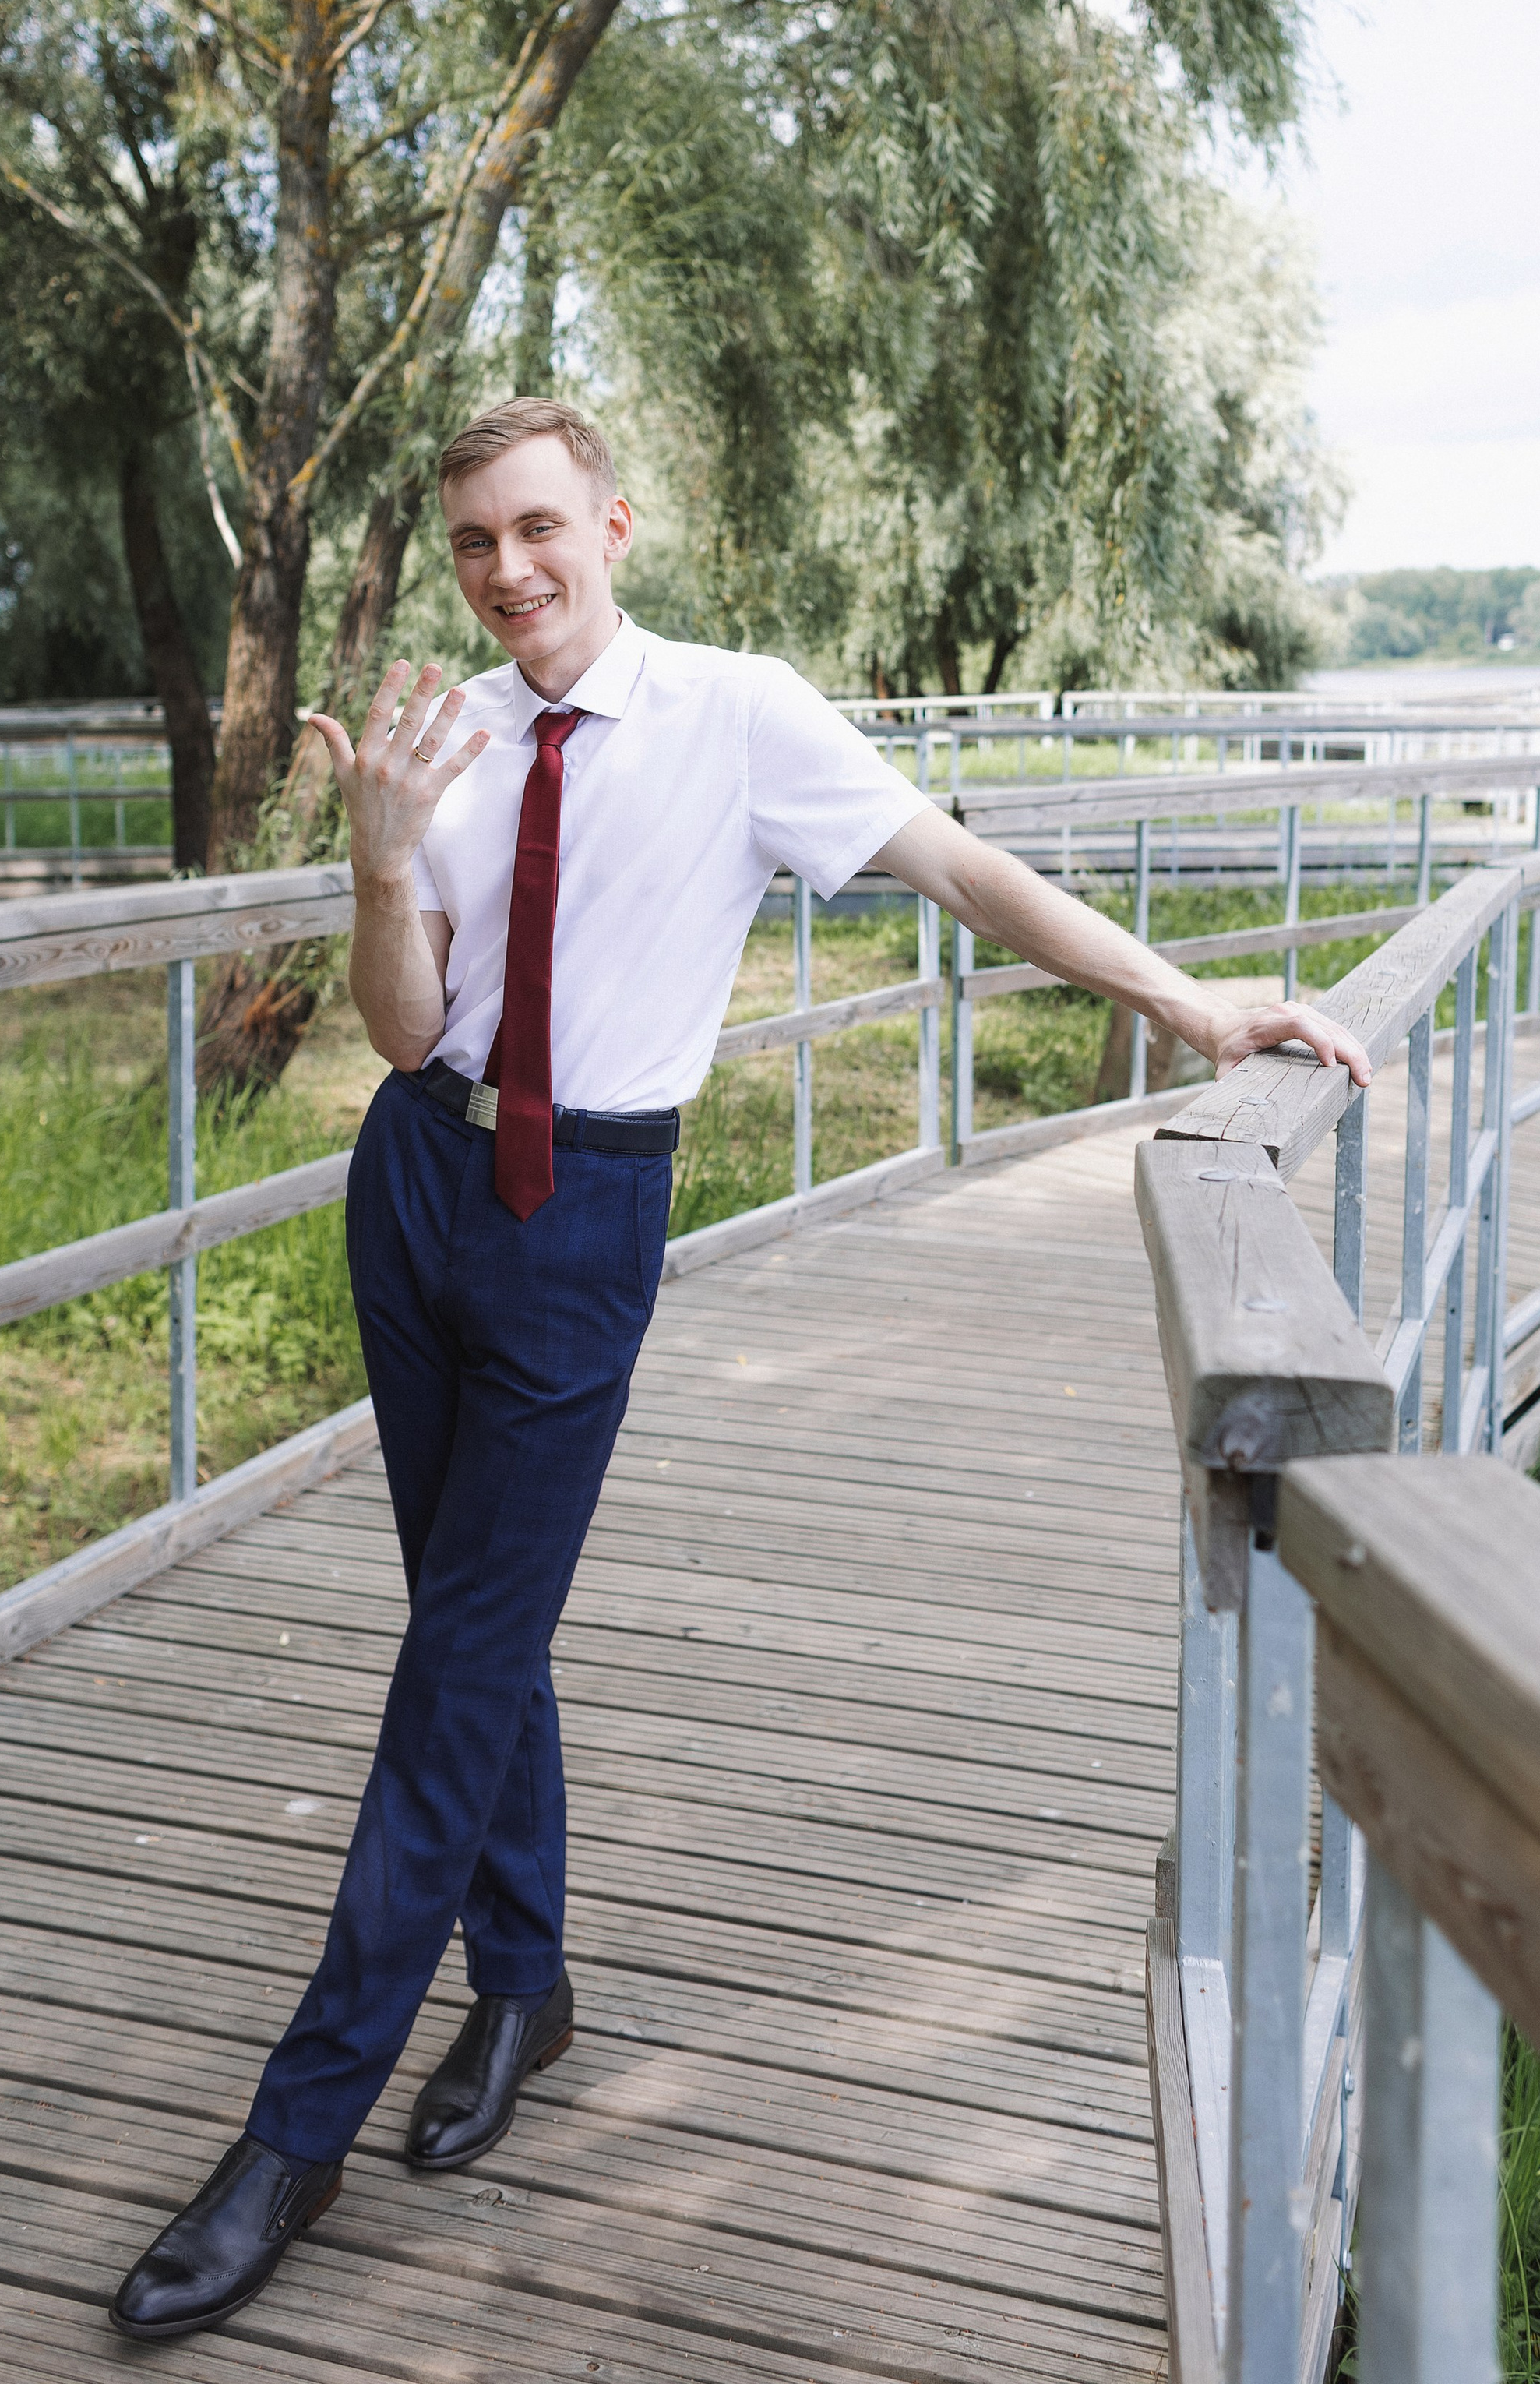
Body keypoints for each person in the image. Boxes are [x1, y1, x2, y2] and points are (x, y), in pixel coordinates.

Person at [108, 397, 1370, 2341]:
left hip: (577, 1213)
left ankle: (294, 2133)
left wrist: (1189, 1001)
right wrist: (375, 862)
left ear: (611, 521)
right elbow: (404, 1021)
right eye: (472, 542)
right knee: (471, 1613)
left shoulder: (734, 713)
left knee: (452, 1665)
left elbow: (961, 873)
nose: (507, 569)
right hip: (415, 1188)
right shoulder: (454, 736)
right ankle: (523, 1981)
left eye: (537, 528)